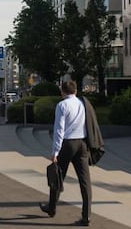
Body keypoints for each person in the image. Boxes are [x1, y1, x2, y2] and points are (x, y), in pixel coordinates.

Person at [39, 80, 92, 226]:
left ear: (62, 92)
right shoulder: (83, 103)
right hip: (82, 143)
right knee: (85, 181)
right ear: (75, 91)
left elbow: (59, 130)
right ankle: (86, 216)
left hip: (67, 144)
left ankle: (51, 208)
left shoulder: (62, 105)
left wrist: (55, 151)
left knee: (57, 176)